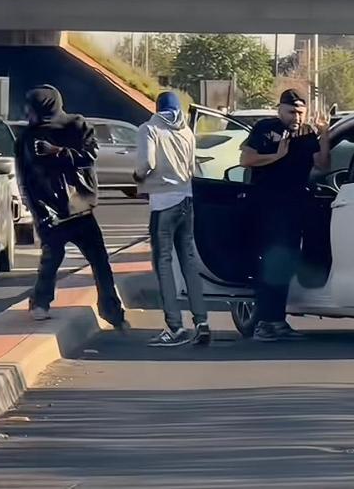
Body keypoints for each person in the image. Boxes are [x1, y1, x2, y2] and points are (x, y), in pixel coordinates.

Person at [15, 85, 127, 329]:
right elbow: (26, 179)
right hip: (50, 210)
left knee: (99, 260)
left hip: (79, 208)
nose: (27, 113)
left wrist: (58, 152)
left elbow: (89, 156)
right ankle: (40, 303)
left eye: (30, 107)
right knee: (51, 258)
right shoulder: (26, 137)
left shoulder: (76, 125)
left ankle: (112, 310)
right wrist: (37, 212)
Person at [240, 89, 330, 342]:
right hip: (268, 205)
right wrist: (276, 156)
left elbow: (323, 164)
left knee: (285, 264)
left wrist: (324, 135)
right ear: (280, 109)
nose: (296, 117)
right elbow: (246, 159)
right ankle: (264, 323)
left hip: (294, 206)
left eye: (300, 112)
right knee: (272, 263)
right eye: (291, 112)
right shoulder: (266, 129)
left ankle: (276, 321)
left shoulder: (308, 134)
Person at [134, 91, 210, 347]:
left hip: (163, 202)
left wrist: (137, 176)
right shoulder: (187, 132)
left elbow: (146, 162)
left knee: (163, 263)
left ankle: (175, 327)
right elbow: (192, 166)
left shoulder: (149, 129)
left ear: (158, 108)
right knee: (188, 261)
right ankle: (202, 322)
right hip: (187, 199)